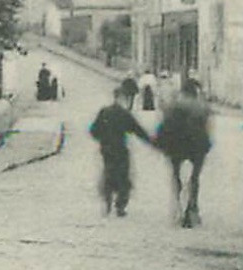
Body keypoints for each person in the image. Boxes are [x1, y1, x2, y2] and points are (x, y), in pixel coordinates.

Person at [154, 79, 213, 228]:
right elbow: (207, 129)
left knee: (176, 176)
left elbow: (165, 126)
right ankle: (192, 209)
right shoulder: (202, 107)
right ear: (195, 92)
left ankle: (178, 207)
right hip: (197, 147)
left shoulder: (174, 106)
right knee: (194, 178)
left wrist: (159, 142)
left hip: (177, 146)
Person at [89, 85, 153, 218]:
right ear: (122, 98)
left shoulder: (104, 112)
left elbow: (93, 130)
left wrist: (102, 139)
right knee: (123, 177)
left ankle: (107, 203)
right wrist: (152, 141)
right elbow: (137, 130)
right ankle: (120, 206)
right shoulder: (124, 114)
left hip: (106, 149)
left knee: (108, 173)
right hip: (120, 149)